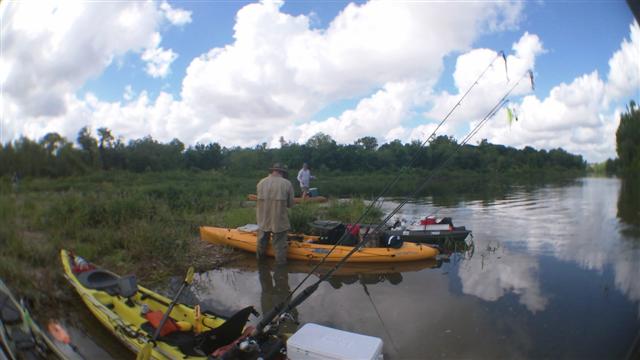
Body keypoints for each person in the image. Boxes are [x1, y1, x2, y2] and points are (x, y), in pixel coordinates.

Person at [256, 163, 295, 264]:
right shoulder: (287, 183)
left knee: (261, 243)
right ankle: (281, 272)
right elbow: (290, 204)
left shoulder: (261, 182)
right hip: (279, 221)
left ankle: (261, 267)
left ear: (273, 171)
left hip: (263, 219)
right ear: (282, 172)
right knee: (280, 246)